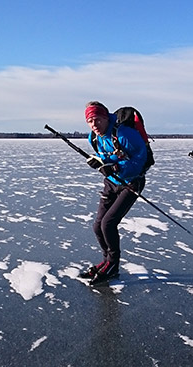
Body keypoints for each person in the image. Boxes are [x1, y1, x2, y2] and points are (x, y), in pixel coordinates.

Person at [79, 101, 149, 285]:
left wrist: (116, 167)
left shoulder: (124, 134)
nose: (94, 125)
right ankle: (107, 261)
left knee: (108, 224)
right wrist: (99, 161)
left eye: (97, 120)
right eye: (90, 121)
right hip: (112, 183)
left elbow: (139, 159)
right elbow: (106, 156)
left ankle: (112, 265)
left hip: (132, 183)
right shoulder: (93, 138)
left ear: (105, 117)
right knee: (98, 226)